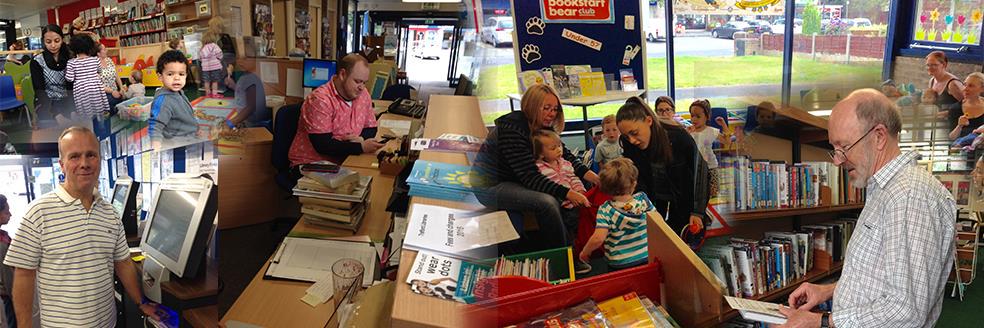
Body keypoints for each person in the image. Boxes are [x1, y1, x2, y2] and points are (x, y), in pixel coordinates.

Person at [777, 89, 956, 328]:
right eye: (834, 148)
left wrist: (820, 322)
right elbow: (879, 279)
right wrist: (829, 291)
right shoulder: (885, 190)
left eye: (843, 147)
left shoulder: (908, 196)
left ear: (879, 136)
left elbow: (905, 310)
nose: (837, 160)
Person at [3, 126, 164, 327]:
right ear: (62, 164)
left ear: (99, 160)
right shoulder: (37, 213)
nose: (84, 163)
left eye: (91, 155)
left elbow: (122, 262)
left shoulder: (111, 213)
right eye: (74, 157)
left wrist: (141, 302)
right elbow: (24, 275)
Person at [473, 84, 601, 252]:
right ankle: (564, 256)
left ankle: (572, 243)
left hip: (514, 178)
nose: (552, 113)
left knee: (566, 192)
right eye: (546, 108)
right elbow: (530, 177)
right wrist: (569, 193)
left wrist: (593, 177)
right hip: (490, 185)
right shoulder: (512, 130)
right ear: (532, 106)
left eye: (555, 109)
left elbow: (564, 155)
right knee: (547, 202)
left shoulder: (541, 126)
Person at [616, 97, 709, 235]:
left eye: (634, 133)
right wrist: (641, 207)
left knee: (682, 237)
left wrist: (697, 211)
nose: (632, 140)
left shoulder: (677, 136)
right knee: (655, 235)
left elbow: (700, 172)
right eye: (626, 136)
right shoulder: (629, 142)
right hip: (654, 196)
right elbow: (637, 177)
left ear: (649, 121)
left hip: (682, 195)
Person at [289, 53, 383, 167]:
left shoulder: (363, 95)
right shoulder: (320, 100)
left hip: (345, 158)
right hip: (312, 163)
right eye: (357, 81)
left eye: (364, 82)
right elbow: (323, 145)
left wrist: (361, 139)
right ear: (343, 74)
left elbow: (371, 127)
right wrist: (360, 147)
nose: (362, 87)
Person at [579, 158, 654, 271]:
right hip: (645, 256)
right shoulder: (643, 200)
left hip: (619, 263)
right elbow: (658, 222)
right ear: (634, 184)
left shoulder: (606, 210)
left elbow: (598, 238)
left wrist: (585, 252)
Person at [533, 129, 587, 260]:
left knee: (578, 229)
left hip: (575, 204)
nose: (559, 150)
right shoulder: (539, 169)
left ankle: (581, 250)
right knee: (566, 234)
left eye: (559, 146)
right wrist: (568, 198)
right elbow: (548, 188)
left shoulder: (566, 164)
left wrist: (580, 191)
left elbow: (573, 178)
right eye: (553, 148)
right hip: (562, 207)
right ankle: (571, 258)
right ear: (540, 154)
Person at [149, 50, 198, 144]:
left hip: (190, 135)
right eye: (170, 74)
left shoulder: (179, 92)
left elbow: (187, 113)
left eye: (181, 74)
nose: (177, 78)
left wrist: (195, 127)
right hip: (178, 142)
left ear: (186, 75)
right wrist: (156, 146)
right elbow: (155, 126)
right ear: (160, 76)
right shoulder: (163, 101)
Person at [30, 24, 74, 124]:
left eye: (57, 41)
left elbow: (72, 88)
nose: (53, 45)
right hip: (47, 103)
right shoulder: (37, 61)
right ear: (43, 42)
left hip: (68, 101)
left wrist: (73, 110)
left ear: (62, 39)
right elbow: (40, 91)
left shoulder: (71, 58)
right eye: (48, 42)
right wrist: (56, 114)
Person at [687, 99, 726, 196]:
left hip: (711, 167)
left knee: (713, 194)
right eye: (692, 116)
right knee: (696, 194)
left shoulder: (712, 131)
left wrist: (723, 125)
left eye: (698, 116)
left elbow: (726, 141)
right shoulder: (688, 131)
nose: (694, 119)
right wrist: (685, 134)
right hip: (695, 168)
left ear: (707, 117)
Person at [64, 34, 109, 119]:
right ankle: (101, 127)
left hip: (81, 89)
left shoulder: (71, 62)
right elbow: (100, 71)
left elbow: (70, 79)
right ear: (90, 46)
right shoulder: (95, 60)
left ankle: (89, 128)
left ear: (73, 48)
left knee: (86, 114)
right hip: (95, 87)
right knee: (98, 109)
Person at [925, 51, 966, 129]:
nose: (929, 68)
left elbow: (968, 105)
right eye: (928, 65)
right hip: (938, 123)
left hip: (953, 124)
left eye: (934, 65)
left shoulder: (952, 84)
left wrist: (946, 113)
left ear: (944, 65)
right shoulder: (932, 80)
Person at [223, 59, 267, 128]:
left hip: (252, 124)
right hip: (244, 120)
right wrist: (234, 86)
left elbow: (250, 107)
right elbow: (243, 93)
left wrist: (231, 123)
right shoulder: (245, 77)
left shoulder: (250, 78)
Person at [949, 72, 984, 141]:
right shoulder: (955, 108)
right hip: (963, 147)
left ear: (982, 89)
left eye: (971, 86)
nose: (965, 89)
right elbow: (952, 137)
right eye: (964, 85)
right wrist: (959, 126)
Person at [0, 195, 15, 326]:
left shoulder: (3, 235)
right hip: (8, 291)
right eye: (6, 211)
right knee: (14, 320)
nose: (10, 214)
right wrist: (14, 294)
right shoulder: (1, 243)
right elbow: (7, 274)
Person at [97, 44, 127, 109]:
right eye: (104, 49)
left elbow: (116, 75)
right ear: (98, 53)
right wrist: (112, 92)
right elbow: (99, 85)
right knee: (116, 101)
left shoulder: (109, 60)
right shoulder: (95, 65)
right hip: (105, 93)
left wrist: (121, 88)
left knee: (124, 98)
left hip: (115, 91)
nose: (106, 51)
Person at [198, 31, 225, 98]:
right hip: (215, 67)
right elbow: (220, 55)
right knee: (214, 81)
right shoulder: (215, 46)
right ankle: (214, 94)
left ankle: (208, 94)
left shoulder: (202, 48)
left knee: (206, 81)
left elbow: (200, 58)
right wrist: (219, 59)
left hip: (205, 69)